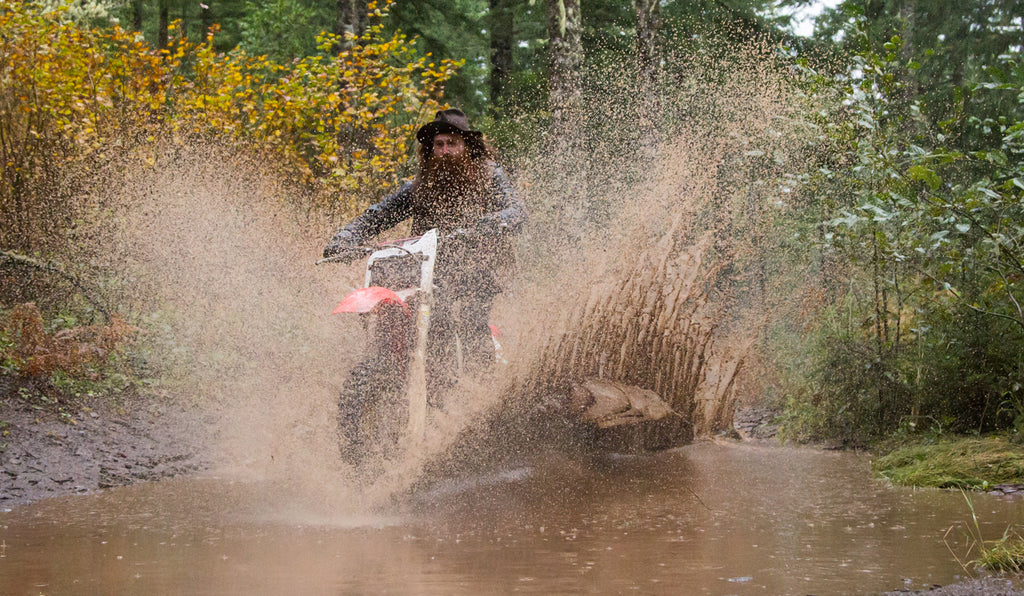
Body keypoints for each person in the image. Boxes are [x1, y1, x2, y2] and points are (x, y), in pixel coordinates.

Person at [323, 108, 526, 392]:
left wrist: (486, 225)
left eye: (452, 143)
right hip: (430, 268)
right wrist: (346, 237)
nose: (445, 151)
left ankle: (479, 391)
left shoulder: (489, 175)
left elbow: (516, 212)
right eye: (438, 144)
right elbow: (378, 214)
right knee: (413, 316)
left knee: (470, 322)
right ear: (430, 150)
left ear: (467, 146)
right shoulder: (421, 185)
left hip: (479, 266)